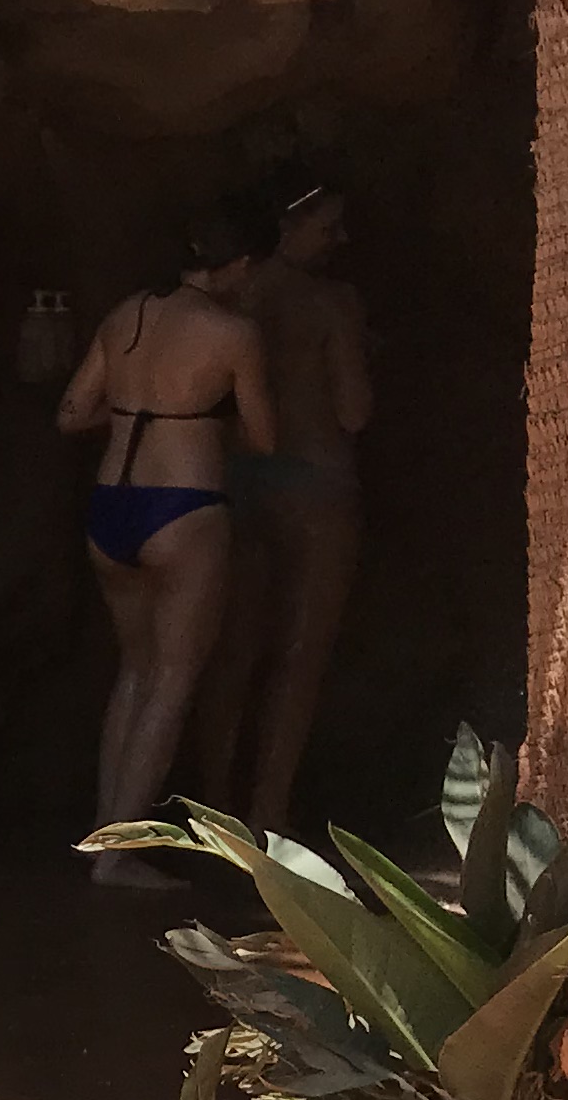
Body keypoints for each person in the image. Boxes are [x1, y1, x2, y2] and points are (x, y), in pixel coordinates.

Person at [56, 211, 275, 887]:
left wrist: (133, 410)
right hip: (185, 507)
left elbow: (71, 413)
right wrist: (205, 422)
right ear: (240, 265)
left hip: (110, 506)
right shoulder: (233, 331)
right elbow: (265, 437)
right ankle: (117, 858)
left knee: (134, 672)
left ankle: (103, 838)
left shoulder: (127, 315)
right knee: (172, 682)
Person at [199, 182, 373, 834]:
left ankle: (210, 804)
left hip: (236, 479)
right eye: (328, 227)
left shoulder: (229, 294)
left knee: (231, 648)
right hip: (315, 485)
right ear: (289, 225)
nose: (340, 241)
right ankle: (268, 811)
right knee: (299, 655)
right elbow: (353, 410)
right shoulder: (331, 302)